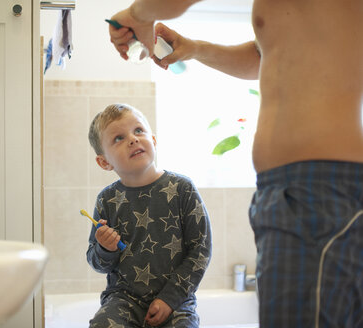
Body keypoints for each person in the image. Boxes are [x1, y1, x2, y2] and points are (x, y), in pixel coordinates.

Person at [107, 1, 363, 327]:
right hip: (308, 185)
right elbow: (266, 54)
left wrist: (137, 16)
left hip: (314, 188)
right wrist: (194, 49)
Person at [86, 103, 212, 327]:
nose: (133, 139)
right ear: (104, 161)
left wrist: (170, 298)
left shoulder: (181, 188)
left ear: (153, 140)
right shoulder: (107, 200)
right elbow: (97, 263)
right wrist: (105, 248)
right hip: (123, 299)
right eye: (118, 138)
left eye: (138, 131)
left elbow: (200, 251)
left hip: (176, 301)